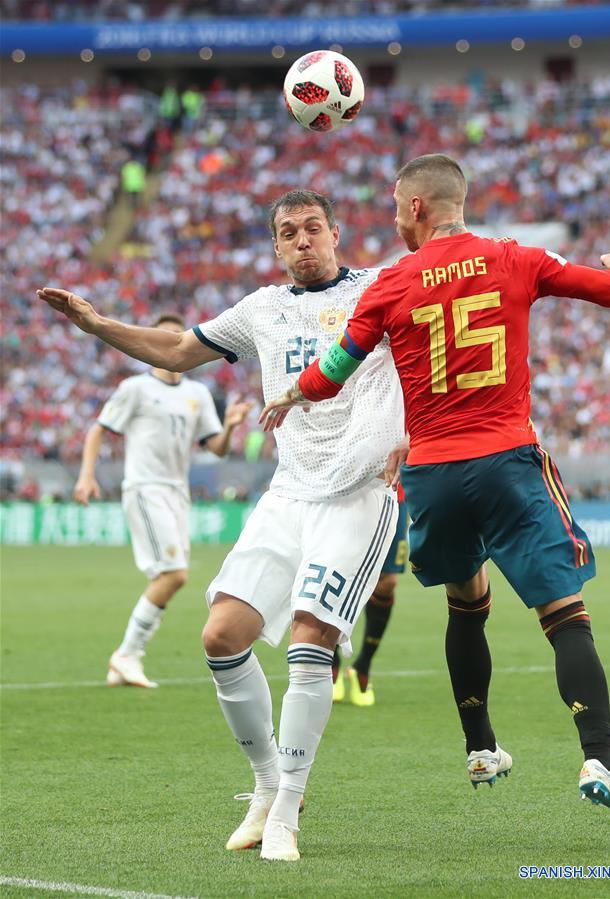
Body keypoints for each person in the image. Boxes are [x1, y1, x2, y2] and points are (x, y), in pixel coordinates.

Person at [260, 155, 610, 841]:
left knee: (466, 603)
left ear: (417, 208)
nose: (392, 217)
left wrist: (293, 392)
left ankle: (480, 745)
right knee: (566, 615)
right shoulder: (515, 258)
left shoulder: (390, 282)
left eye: (395, 206)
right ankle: (601, 759)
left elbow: (334, 369)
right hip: (506, 459)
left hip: (434, 476)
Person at [37, 188, 404, 862]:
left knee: (309, 637)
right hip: (288, 492)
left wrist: (420, 431)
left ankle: (289, 808)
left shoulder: (383, 286)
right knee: (220, 634)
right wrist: (96, 323)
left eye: (313, 228)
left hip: (358, 491)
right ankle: (267, 783)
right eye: (288, 231)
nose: (302, 240)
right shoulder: (260, 309)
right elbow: (176, 349)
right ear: (274, 245)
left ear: (335, 233)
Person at [73, 313, 250, 689]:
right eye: (163, 338)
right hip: (145, 486)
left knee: (168, 576)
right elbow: (98, 430)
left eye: (176, 337)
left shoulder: (197, 394)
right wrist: (87, 475)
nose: (170, 344)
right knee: (173, 575)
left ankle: (124, 661)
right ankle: (127, 655)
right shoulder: (135, 388)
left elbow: (215, 448)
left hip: (176, 492)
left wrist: (231, 424)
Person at [332, 486, 408, 707]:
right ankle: (331, 660)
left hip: (393, 493)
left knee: (388, 581)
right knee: (339, 572)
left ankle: (362, 666)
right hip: (345, 491)